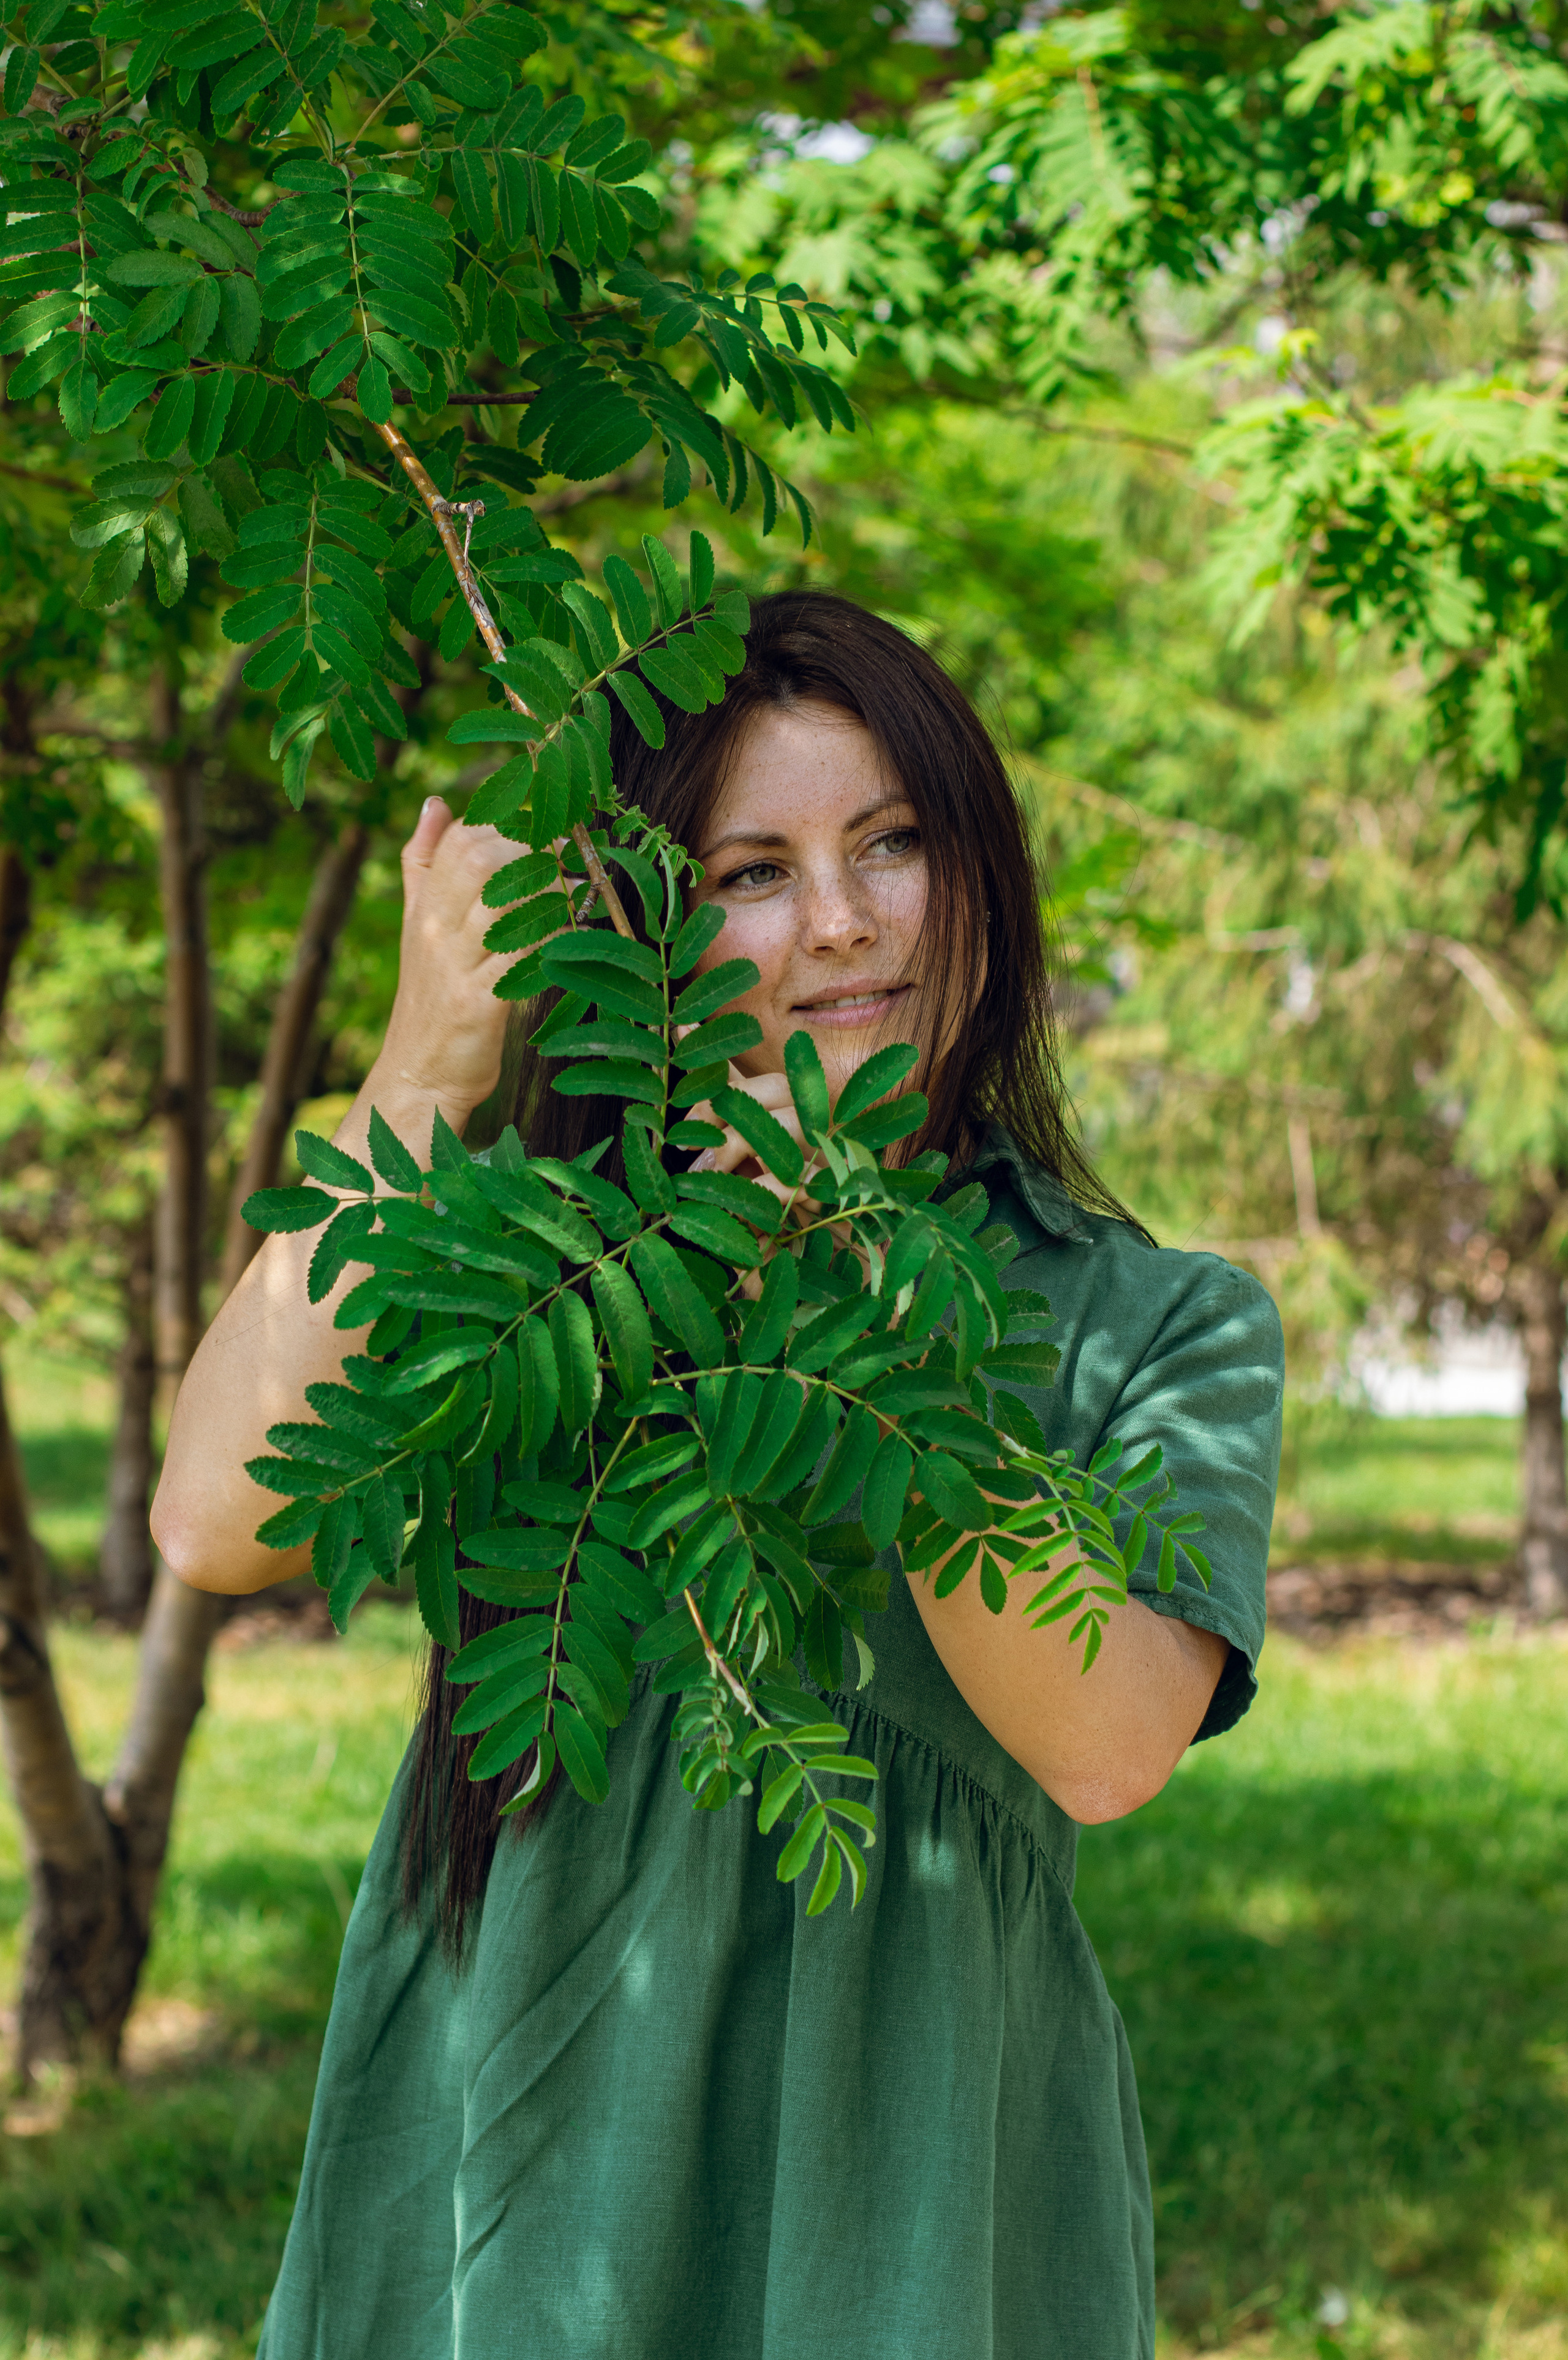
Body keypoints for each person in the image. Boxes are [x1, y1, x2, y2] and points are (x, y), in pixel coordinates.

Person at [153, 591, 1283, 2360]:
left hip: (905, 2183)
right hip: (519, 2140)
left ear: (982, 869)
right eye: (753, 871)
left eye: (895, 842)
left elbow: (1110, 1738)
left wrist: (852, 1291)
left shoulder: (1159, 1316)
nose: (842, 922)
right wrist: (434, 1049)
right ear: (644, 929)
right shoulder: (546, 1261)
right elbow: (214, 1514)